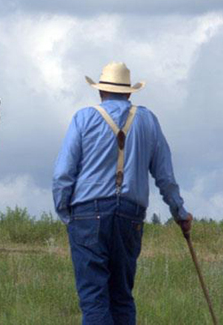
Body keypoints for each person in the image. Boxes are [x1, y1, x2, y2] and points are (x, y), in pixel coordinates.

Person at [52, 62, 193, 324]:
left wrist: (64, 212)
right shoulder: (148, 120)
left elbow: (63, 173)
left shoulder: (83, 118)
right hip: (130, 214)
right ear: (129, 93)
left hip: (86, 213)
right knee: (121, 296)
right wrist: (179, 212)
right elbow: (165, 175)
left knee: (94, 299)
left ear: (100, 92)